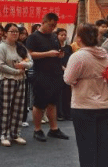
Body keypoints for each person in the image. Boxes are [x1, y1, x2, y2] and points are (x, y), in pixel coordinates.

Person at [64, 23, 108, 167]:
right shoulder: (104, 54)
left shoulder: (78, 56)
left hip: (83, 104)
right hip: (104, 104)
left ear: (79, 39)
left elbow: (68, 79)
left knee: (86, 144)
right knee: (103, 144)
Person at [26, 13, 69, 142]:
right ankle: (37, 129)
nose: (52, 28)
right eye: (50, 25)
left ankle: (54, 129)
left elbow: (56, 51)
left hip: (55, 73)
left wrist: (59, 55)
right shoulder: (33, 37)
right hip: (41, 74)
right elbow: (30, 55)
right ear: (43, 22)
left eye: (54, 26)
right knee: (39, 103)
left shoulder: (54, 36)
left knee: (53, 102)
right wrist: (48, 54)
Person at [0, 23, 33, 147]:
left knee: (18, 108)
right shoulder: (1, 47)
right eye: (12, 31)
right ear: (5, 33)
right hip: (6, 80)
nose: (15, 34)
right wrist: (16, 71)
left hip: (20, 80)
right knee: (5, 109)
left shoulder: (21, 47)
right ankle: (3, 135)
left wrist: (23, 65)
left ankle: (15, 134)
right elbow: (0, 65)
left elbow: (30, 61)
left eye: (17, 31)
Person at [56, 28, 73, 121]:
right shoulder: (55, 47)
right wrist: (62, 67)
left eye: (65, 35)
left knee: (67, 93)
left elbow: (71, 58)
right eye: (61, 35)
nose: (63, 36)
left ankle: (68, 113)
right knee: (59, 93)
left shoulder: (68, 47)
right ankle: (59, 113)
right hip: (58, 72)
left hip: (68, 71)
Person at [19, 26, 33, 127]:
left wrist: (24, 63)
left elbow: (28, 59)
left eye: (25, 34)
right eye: (22, 33)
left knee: (24, 96)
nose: (23, 36)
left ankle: (23, 117)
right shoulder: (12, 45)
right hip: (13, 72)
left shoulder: (25, 46)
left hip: (24, 72)